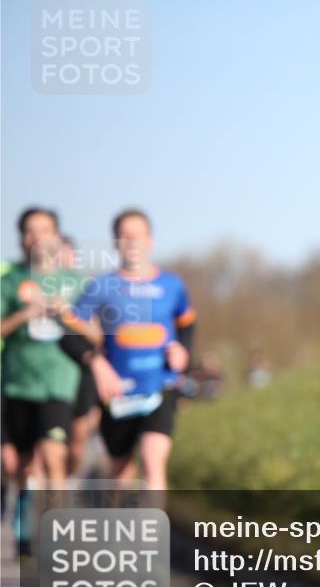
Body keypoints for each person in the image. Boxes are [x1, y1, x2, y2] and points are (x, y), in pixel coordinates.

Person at [72, 208, 196, 491]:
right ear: (115, 242)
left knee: (153, 459)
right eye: (124, 236)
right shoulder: (101, 286)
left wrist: (183, 351)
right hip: (117, 391)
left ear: (150, 241)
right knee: (120, 471)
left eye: (138, 235)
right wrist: (97, 363)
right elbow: (68, 333)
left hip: (160, 385)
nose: (132, 242)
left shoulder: (172, 285)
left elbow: (188, 323)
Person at [0, 208, 86, 554]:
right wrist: (23, 314)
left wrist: (68, 315)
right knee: (16, 464)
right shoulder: (10, 280)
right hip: (16, 383)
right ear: (22, 238)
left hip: (59, 382)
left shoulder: (76, 283)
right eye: (30, 230)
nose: (37, 237)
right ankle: (23, 518)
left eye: (44, 229)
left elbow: (96, 333)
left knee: (54, 456)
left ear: (56, 235)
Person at [57, 235, 103, 478]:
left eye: (66, 253)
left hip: (81, 372)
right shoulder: (35, 286)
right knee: (47, 447)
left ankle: (68, 481)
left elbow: (98, 334)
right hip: (48, 375)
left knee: (76, 445)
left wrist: (70, 318)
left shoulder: (88, 288)